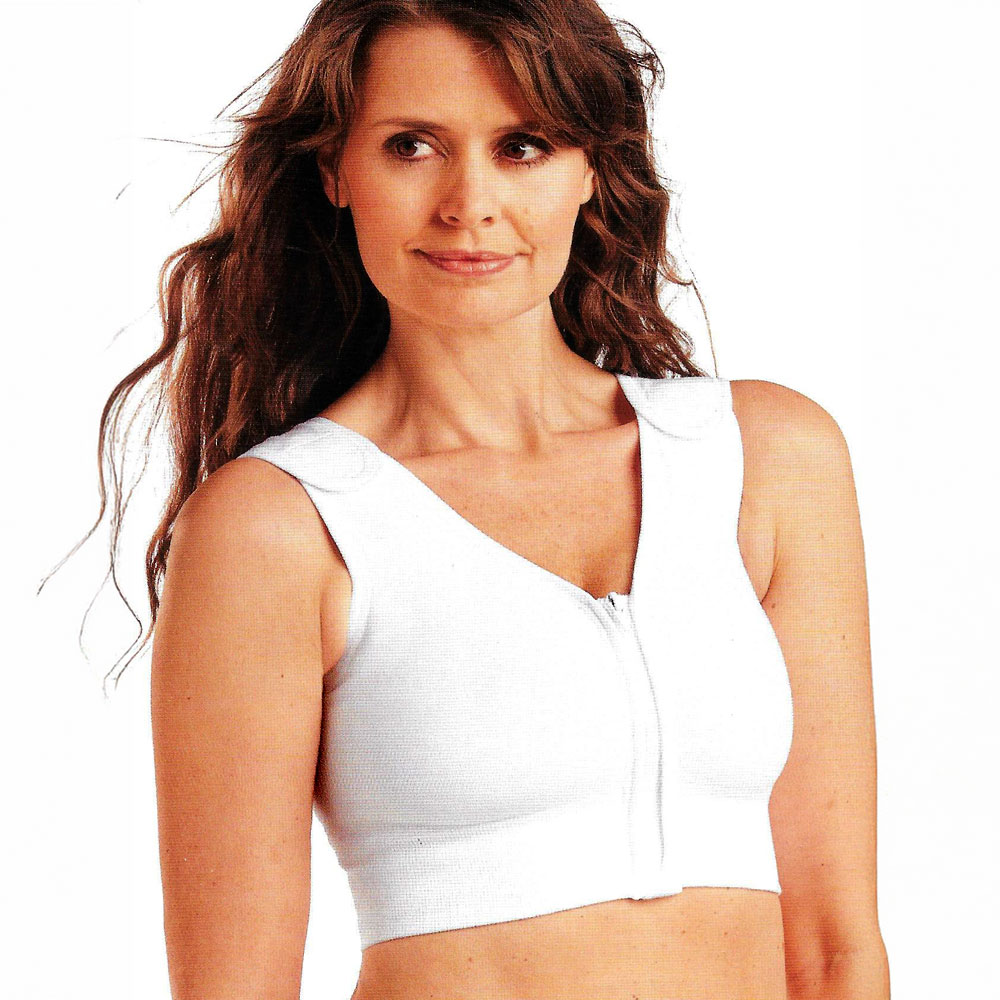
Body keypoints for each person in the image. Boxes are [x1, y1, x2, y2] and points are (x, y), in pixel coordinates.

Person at [120, 2, 892, 998]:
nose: (469, 203)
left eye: (523, 146)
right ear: (335, 171)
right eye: (411, 146)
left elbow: (836, 949)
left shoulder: (767, 457)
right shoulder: (280, 525)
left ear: (591, 167)